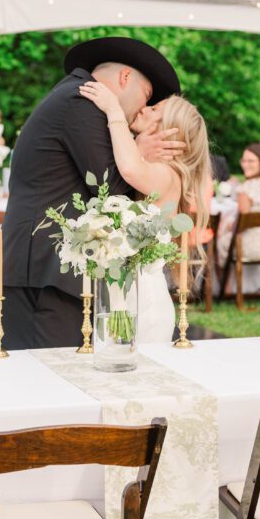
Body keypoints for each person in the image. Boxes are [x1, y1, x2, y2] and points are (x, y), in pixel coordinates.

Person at [0, 36, 184, 350]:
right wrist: (138, 152)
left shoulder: (74, 98)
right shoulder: (82, 102)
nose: (142, 111)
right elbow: (112, 192)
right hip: (41, 272)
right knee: (49, 379)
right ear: (125, 78)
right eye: (146, 97)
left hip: (47, 271)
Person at [80, 86, 212, 341]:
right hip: (127, 293)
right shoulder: (155, 170)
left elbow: (129, 169)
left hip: (144, 300)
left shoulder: (167, 175)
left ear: (168, 130)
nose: (144, 107)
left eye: (154, 110)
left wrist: (114, 110)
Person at [216, 143, 260, 267]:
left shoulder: (246, 188)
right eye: (243, 161)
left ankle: (225, 285)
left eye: (250, 161)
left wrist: (225, 227)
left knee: (220, 239)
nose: (245, 165)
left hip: (252, 247)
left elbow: (242, 222)